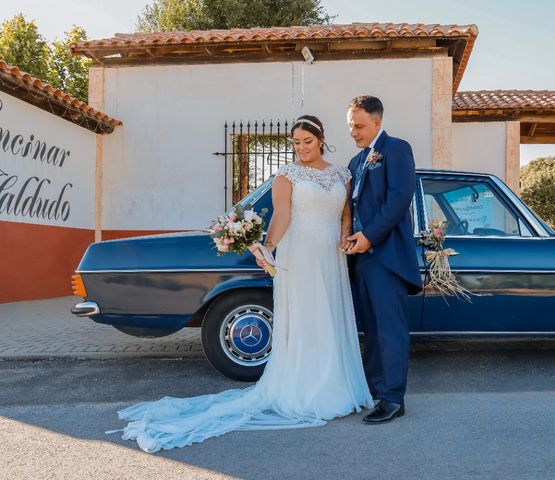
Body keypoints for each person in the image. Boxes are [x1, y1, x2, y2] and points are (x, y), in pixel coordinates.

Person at [110, 115, 373, 453]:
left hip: (331, 256)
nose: (301, 149)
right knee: (306, 319)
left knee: (331, 317)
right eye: (295, 143)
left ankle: (336, 386)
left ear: (321, 140)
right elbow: (281, 215)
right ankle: (306, 391)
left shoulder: (342, 174)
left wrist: (344, 239)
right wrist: (269, 248)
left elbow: (346, 214)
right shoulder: (286, 175)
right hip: (300, 255)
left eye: (307, 142)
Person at [344, 95, 422, 424]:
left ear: (377, 121)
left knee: (390, 331)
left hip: (386, 256)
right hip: (360, 259)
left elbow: (399, 199)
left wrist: (369, 237)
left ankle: (393, 399)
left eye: (359, 125)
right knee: (372, 331)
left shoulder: (396, 149)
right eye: (350, 126)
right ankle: (376, 391)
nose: (353, 132)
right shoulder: (354, 162)